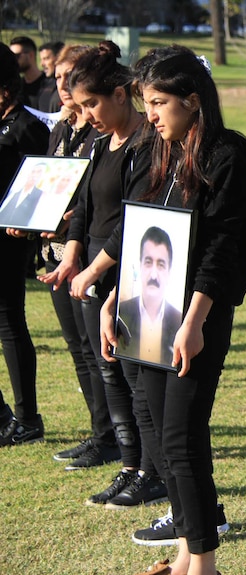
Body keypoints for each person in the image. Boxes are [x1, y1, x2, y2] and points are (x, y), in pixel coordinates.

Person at [93, 44, 246, 575]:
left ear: (193, 100)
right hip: (146, 313)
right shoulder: (156, 153)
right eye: (146, 102)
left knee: (184, 436)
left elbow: (223, 249)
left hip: (194, 320)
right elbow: (137, 229)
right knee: (164, 437)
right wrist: (115, 296)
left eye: (160, 102)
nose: (152, 114)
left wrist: (193, 323)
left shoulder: (227, 156)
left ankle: (203, 564)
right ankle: (186, 552)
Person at [37, 41, 167, 507]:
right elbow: (85, 208)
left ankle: (155, 473)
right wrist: (72, 257)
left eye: (92, 102)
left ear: (119, 93)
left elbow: (135, 221)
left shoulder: (148, 145)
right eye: (82, 103)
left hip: (131, 271)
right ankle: (130, 467)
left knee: (137, 378)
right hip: (91, 270)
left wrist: (92, 268)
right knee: (109, 372)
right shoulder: (97, 144)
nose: (86, 113)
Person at [40, 43, 118, 470]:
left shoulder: (100, 132)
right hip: (63, 250)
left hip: (96, 255)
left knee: (98, 351)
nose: (63, 85)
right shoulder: (62, 129)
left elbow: (97, 202)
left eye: (70, 76)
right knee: (79, 347)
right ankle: (100, 432)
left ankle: (112, 439)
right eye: (58, 78)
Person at [0, 42, 49, 448]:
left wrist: (27, 225)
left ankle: (26, 416)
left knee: (9, 322)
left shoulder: (24, 126)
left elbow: (45, 184)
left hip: (8, 242)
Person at [116, 226, 183, 366]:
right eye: (148, 262)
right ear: (140, 265)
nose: (153, 275)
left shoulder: (180, 323)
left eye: (160, 265)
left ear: (169, 271)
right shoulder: (121, 314)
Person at [0, 160, 46, 226]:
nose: (35, 175)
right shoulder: (13, 191)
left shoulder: (41, 195)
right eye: (33, 172)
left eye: (39, 172)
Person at [38, 41, 63, 113]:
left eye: (46, 59)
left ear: (59, 58)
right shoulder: (44, 83)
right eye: (41, 59)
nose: (42, 64)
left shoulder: (69, 87)